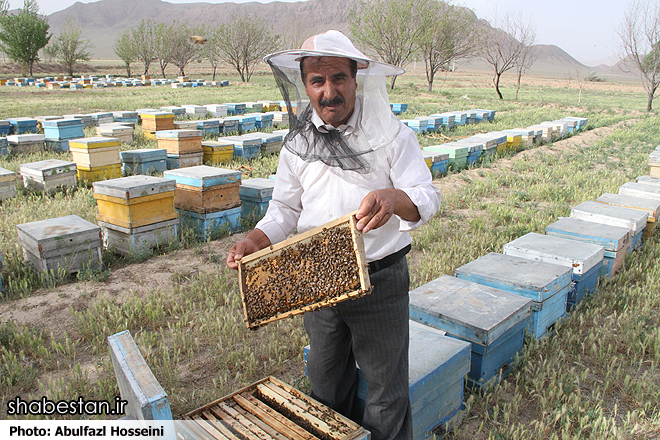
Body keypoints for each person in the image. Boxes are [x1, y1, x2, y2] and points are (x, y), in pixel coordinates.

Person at [226, 30, 442, 440]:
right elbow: (284, 210)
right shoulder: (297, 144)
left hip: (379, 279)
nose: (329, 91)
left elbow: (426, 197)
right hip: (316, 280)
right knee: (325, 389)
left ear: (356, 76)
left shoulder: (392, 135)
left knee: (384, 392)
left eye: (338, 78)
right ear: (305, 85)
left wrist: (394, 199)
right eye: (317, 81)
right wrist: (256, 239)